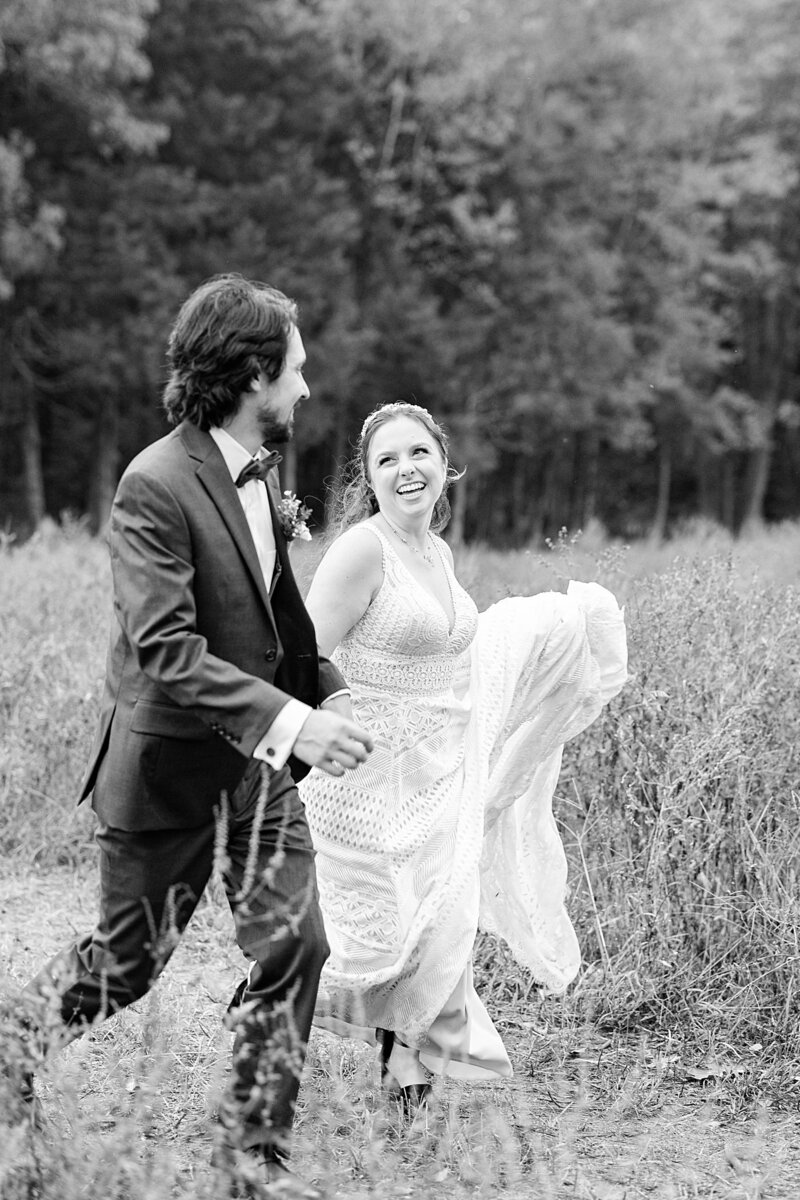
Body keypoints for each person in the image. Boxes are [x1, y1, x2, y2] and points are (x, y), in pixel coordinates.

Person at [17, 275, 374, 1200]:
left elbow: (271, 610)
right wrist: (292, 721)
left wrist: (325, 691)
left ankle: (251, 1150)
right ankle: (14, 1044)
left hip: (256, 772)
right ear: (254, 373)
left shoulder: (262, 470)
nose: (305, 386)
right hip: (170, 766)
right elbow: (168, 651)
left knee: (298, 942)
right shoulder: (154, 482)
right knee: (126, 967)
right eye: (295, 369)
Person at [297, 402, 628, 1111]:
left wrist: (549, 631)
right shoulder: (363, 549)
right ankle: (271, 1004)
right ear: (369, 478)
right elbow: (304, 656)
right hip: (360, 779)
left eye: (418, 454)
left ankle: (407, 1083)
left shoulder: (437, 554)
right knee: (376, 938)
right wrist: (334, 722)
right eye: (386, 460)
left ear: (444, 465)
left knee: (435, 922)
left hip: (432, 770)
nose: (405, 470)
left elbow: (456, 657)